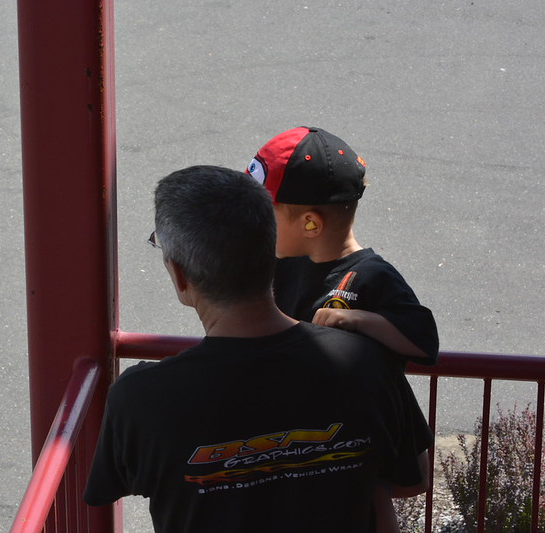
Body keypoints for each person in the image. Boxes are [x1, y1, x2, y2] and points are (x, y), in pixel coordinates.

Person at [84, 165, 432, 532]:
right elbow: (413, 480)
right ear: (271, 253)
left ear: (180, 273)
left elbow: (109, 489)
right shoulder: (367, 364)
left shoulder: (141, 398)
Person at [245, 126, 439, 365]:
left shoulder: (373, 277)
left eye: (264, 212)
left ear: (310, 224)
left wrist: (359, 320)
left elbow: (425, 343)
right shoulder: (280, 264)